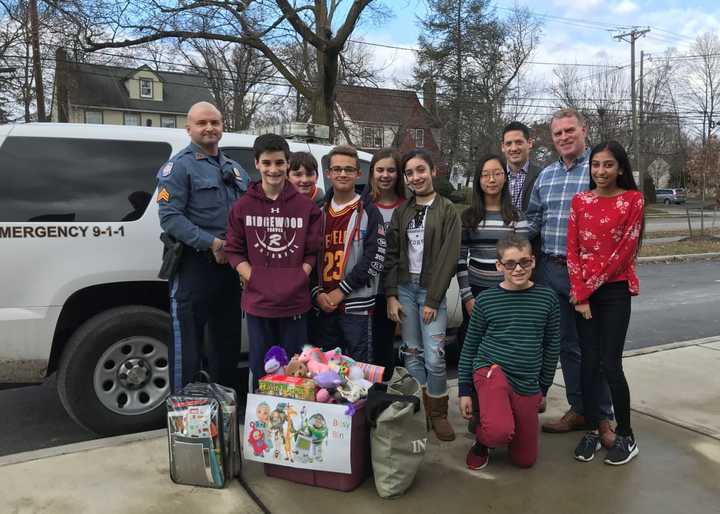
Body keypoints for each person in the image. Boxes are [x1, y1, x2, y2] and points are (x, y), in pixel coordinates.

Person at [526, 108, 614, 441]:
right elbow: (534, 221)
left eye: (569, 130)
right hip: (551, 269)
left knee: (597, 346)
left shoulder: (600, 170)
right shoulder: (546, 175)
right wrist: (505, 240)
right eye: (558, 133)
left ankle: (603, 417)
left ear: (583, 130)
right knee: (567, 346)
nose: (563, 137)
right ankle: (579, 409)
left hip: (590, 275)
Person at [157, 101, 250, 393]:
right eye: (202, 123)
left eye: (215, 122)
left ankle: (224, 407)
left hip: (229, 270)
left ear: (223, 126)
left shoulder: (235, 170)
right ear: (189, 129)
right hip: (194, 266)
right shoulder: (178, 168)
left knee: (227, 343)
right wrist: (211, 243)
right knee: (188, 346)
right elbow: (170, 217)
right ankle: (185, 413)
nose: (209, 128)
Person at [225, 134, 323, 390]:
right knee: (262, 368)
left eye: (279, 163)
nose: (273, 169)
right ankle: (264, 423)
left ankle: (293, 424)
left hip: (295, 303)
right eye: (267, 163)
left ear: (287, 164)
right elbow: (234, 251)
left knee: (296, 368)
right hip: (259, 304)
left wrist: (300, 276)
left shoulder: (306, 208)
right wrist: (254, 278)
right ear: (256, 163)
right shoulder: (242, 206)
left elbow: (312, 252)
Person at [567, 141, 644, 465]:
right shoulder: (580, 201)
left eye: (608, 165)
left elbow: (622, 254)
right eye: (596, 165)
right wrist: (579, 292)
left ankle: (625, 434)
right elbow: (572, 250)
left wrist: (585, 292)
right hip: (584, 293)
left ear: (621, 168)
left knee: (610, 365)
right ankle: (594, 428)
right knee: (588, 363)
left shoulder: (632, 201)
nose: (601, 171)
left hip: (613, 293)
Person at [458, 234, 560, 470]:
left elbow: (552, 346)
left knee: (524, 460)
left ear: (533, 261)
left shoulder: (548, 299)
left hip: (526, 381)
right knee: (498, 433)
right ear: (499, 266)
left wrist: (543, 388)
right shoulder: (486, 300)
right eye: (510, 263)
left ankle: (498, 419)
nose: (517, 269)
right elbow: (470, 345)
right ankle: (484, 440)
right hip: (492, 370)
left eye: (524, 262)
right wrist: (464, 389)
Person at [384, 148, 461, 441]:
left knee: (436, 356)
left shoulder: (447, 211)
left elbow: (449, 256)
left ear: (433, 172)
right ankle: (419, 410)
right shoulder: (402, 212)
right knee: (412, 354)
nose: (416, 177)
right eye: (410, 173)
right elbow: (392, 255)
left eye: (420, 170)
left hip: (431, 291)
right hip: (404, 288)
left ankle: (439, 412)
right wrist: (391, 295)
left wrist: (432, 299)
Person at [457, 153, 529, 432]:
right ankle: (477, 411)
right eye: (486, 174)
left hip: (509, 295)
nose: (491, 179)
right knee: (475, 352)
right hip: (477, 294)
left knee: (505, 354)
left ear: (505, 177)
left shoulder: (516, 217)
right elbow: (461, 259)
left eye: (497, 173)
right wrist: (467, 297)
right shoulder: (469, 217)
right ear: (478, 179)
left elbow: (521, 260)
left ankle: (506, 410)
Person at [310, 145, 385, 363]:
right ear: (328, 173)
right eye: (337, 169)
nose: (343, 174)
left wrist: (342, 290)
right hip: (323, 307)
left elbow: (375, 258)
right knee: (326, 374)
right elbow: (308, 256)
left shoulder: (369, 211)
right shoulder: (318, 212)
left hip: (356, 309)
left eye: (349, 169)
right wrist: (316, 292)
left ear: (358, 173)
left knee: (358, 373)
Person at [364, 148, 406, 380]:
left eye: (391, 170)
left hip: (391, 291)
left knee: (383, 347)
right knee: (360, 349)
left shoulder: (406, 206)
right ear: (372, 174)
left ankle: (383, 402)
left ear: (399, 175)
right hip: (361, 289)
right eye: (380, 170)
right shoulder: (361, 204)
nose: (385, 175)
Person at [501, 121, 541, 213]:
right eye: (508, 144)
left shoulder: (541, 176)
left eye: (519, 142)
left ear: (530, 143)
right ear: (503, 147)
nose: (514, 148)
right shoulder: (495, 176)